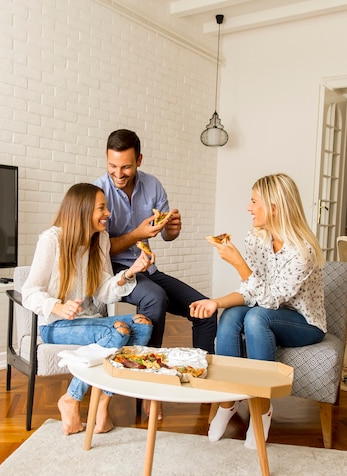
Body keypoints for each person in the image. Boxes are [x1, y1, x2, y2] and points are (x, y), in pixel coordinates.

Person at [189, 173, 326, 449]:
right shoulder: (256, 237)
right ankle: (228, 400)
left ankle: (261, 408)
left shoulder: (302, 251)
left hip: (305, 324)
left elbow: (270, 300)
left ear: (274, 207)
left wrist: (238, 262)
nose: (248, 208)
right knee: (230, 315)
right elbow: (251, 291)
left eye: (254, 201)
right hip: (266, 310)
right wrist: (216, 302)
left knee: (255, 317)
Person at [22, 183, 153, 436]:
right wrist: (58, 307)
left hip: (89, 320)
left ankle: (102, 404)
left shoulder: (99, 239)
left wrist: (130, 273)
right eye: (101, 208)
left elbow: (104, 289)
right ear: (82, 210)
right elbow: (29, 292)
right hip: (55, 326)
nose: (108, 214)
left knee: (143, 324)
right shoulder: (52, 240)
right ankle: (71, 399)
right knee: (118, 329)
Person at [93, 129, 217, 354]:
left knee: (206, 309)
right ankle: (148, 369)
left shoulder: (153, 185)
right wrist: (136, 235)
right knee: (155, 297)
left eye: (126, 167)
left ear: (139, 160)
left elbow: (166, 236)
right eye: (113, 166)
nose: (118, 173)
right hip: (115, 271)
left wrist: (172, 230)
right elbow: (97, 252)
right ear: (106, 158)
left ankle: (203, 371)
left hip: (147, 268)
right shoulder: (98, 192)